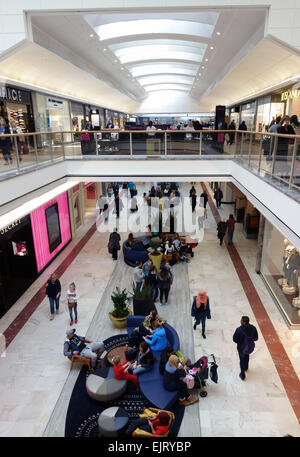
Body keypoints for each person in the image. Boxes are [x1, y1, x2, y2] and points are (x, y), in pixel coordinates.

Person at [233, 316, 258, 381]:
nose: (240, 321)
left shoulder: (239, 329)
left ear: (243, 322)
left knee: (242, 360)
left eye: (241, 320)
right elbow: (256, 338)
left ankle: (242, 375)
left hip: (241, 348)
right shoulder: (253, 328)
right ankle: (246, 368)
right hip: (249, 347)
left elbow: (235, 339)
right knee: (247, 356)